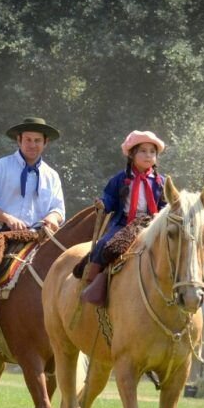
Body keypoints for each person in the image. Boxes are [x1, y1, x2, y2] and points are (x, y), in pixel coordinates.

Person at [0, 117, 65, 340]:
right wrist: (8, 217)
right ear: (19, 141)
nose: (33, 144)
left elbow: (59, 209)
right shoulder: (0, 166)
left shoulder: (52, 175)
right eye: (28, 139)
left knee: (66, 267)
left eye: (37, 140)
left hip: (36, 236)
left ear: (45, 143)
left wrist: (51, 218)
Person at [81, 130, 167, 306]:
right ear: (132, 154)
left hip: (153, 224)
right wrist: (103, 204)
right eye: (143, 151)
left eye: (152, 152)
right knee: (104, 244)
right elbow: (110, 198)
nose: (148, 155)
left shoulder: (161, 181)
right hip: (126, 223)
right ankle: (93, 281)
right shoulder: (120, 179)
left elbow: (165, 205)